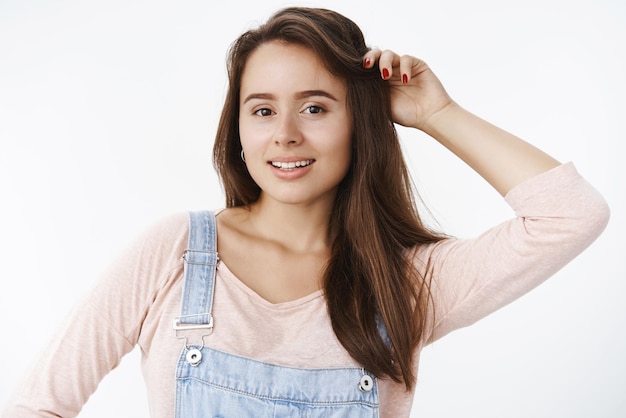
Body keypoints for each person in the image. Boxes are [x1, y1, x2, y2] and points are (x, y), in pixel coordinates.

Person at [2, 6, 609, 418]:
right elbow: (38, 404)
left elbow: (570, 215)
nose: (285, 135)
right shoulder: (176, 253)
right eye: (262, 110)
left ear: (361, 123)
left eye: (315, 108)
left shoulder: (407, 282)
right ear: (238, 129)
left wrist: (436, 113)